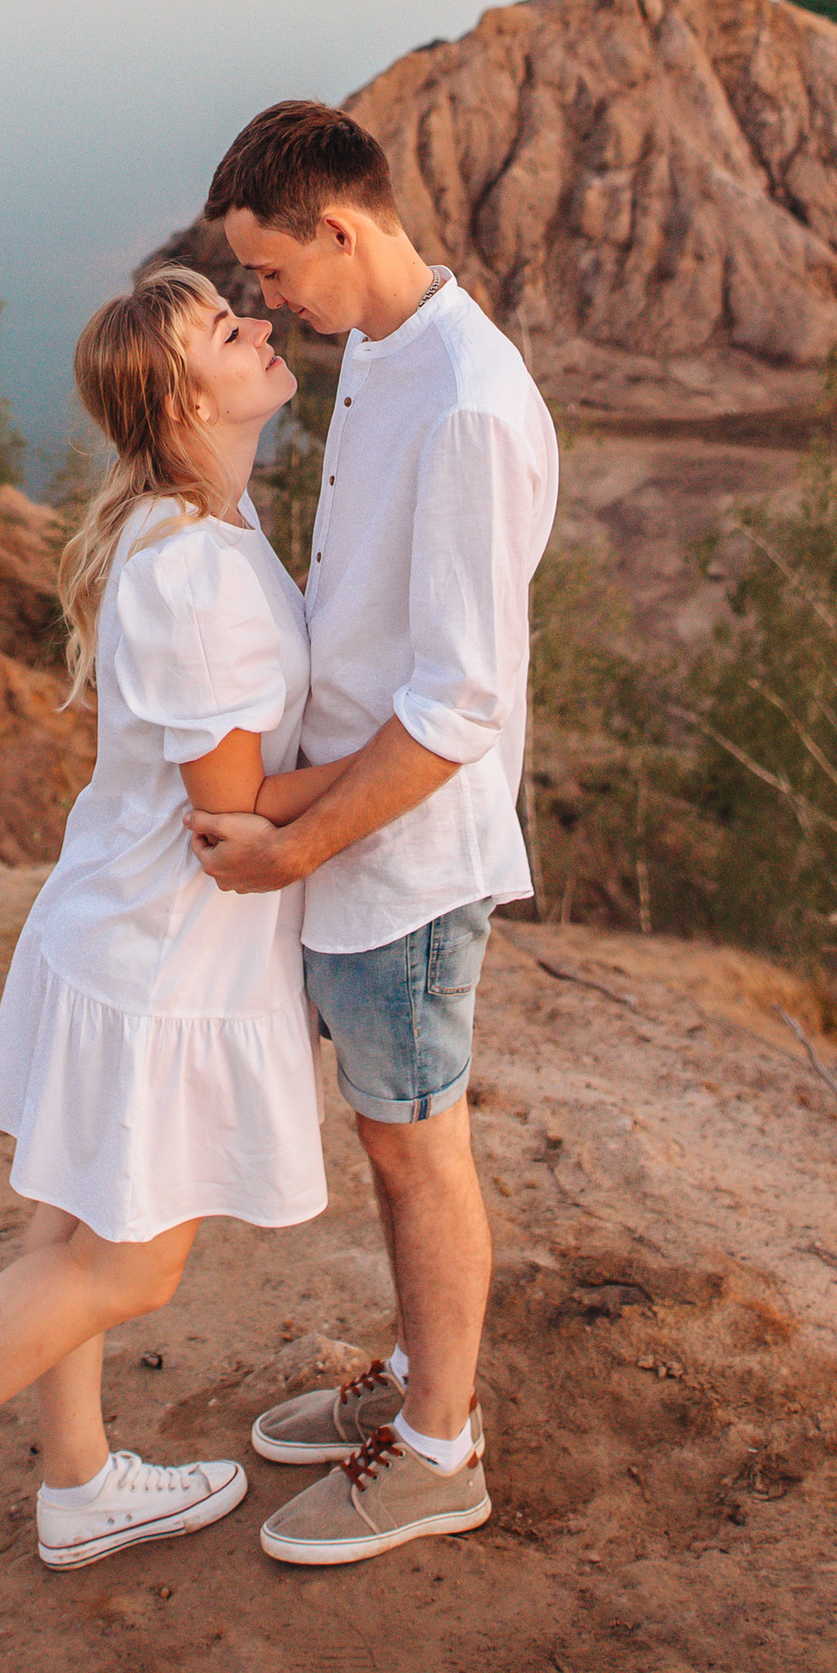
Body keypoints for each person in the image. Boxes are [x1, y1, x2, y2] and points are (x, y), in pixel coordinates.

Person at [0, 264, 346, 1657]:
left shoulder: (200, 530)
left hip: (121, 931)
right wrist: (401, 777)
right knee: (134, 1264)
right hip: (161, 952)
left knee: (77, 1219)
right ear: (178, 399)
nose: (262, 329)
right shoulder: (200, 571)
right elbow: (229, 810)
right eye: (231, 331)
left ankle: (82, 1485)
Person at [189, 98, 557, 1569]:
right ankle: (419, 1379)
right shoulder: (390, 353)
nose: (266, 304)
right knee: (396, 1142)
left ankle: (441, 1451)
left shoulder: (465, 397)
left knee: (418, 1154)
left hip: (405, 860)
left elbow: (461, 701)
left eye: (273, 273)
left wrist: (296, 844)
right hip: (357, 841)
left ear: (340, 229)